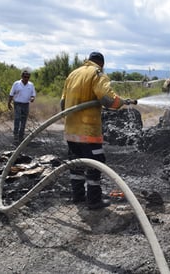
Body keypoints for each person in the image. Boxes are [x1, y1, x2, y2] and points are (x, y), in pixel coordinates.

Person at [60, 51, 136, 210]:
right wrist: (121, 102)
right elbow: (108, 99)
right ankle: (94, 200)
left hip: (71, 130)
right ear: (102, 63)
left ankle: (78, 196)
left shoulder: (73, 74)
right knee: (95, 164)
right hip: (88, 131)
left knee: (76, 164)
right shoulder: (97, 74)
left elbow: (62, 103)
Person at [8, 69, 36, 144]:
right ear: (22, 76)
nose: (26, 78)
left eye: (28, 77)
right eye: (25, 77)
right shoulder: (16, 84)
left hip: (26, 104)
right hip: (17, 104)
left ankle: (21, 136)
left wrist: (32, 98)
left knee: (24, 121)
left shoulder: (31, 85)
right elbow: (11, 94)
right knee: (17, 119)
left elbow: (33, 94)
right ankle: (15, 136)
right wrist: (9, 103)